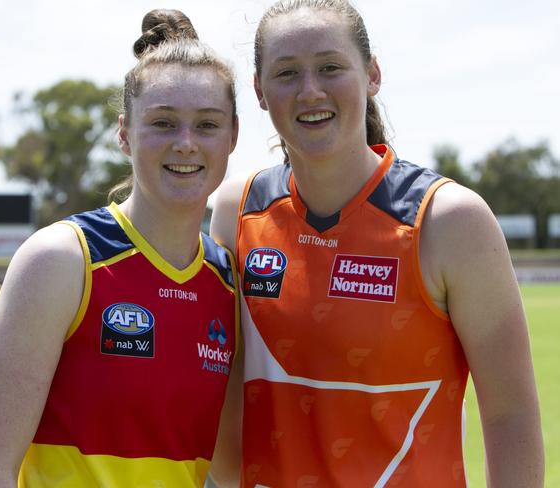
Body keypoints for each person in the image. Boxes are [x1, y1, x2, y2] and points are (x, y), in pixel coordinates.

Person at [210, 0, 544, 486]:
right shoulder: (236, 210)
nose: (310, 90)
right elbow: (223, 407)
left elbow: (510, 411)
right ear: (260, 92)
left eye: (330, 67)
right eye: (287, 73)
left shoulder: (450, 221)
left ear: (372, 75)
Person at [0, 9, 241, 487]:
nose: (185, 143)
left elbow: (228, 469)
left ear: (233, 136)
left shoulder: (227, 281)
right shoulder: (62, 260)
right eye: (163, 123)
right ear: (124, 134)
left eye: (207, 125)